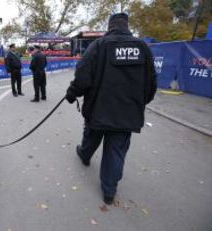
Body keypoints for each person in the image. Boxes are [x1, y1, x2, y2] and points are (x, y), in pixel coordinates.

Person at [65, 13, 157, 205]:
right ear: (127, 26)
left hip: (98, 109)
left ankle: (84, 154)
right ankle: (109, 192)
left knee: (91, 136)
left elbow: (82, 76)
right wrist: (138, 104)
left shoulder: (99, 46)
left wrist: (72, 94)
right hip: (127, 114)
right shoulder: (143, 48)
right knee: (116, 152)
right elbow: (151, 85)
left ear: (110, 26)